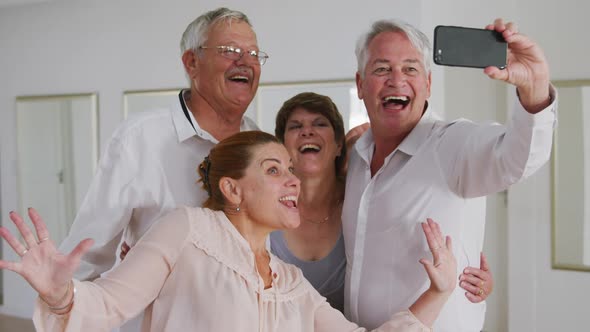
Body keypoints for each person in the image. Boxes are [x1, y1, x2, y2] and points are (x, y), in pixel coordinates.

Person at [1, 131, 457, 331]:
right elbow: (110, 304)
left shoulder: (291, 283)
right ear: (231, 189)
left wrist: (437, 293)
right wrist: (61, 295)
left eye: (292, 169)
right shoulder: (185, 229)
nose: (293, 179)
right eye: (274, 170)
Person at [57, 7, 264, 331]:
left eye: (253, 53)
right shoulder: (139, 139)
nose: (246, 62)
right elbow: (86, 256)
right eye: (229, 51)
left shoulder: (261, 143)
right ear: (191, 63)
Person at [343, 18, 556, 331]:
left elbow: (517, 159)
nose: (396, 80)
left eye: (410, 68)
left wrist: (534, 86)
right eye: (382, 68)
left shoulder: (453, 145)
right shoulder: (355, 156)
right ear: (361, 84)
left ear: (428, 83)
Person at [270, 92, 494, 312]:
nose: (307, 132)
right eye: (295, 126)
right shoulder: (267, 208)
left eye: (319, 124)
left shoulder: (361, 198)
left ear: (339, 145)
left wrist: (470, 278)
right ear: (282, 147)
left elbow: (404, 252)